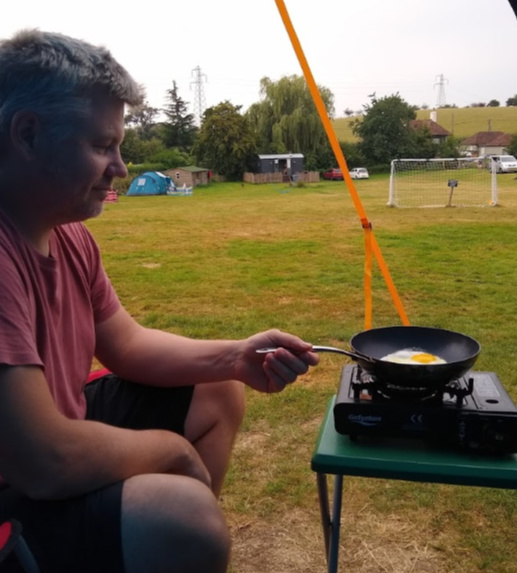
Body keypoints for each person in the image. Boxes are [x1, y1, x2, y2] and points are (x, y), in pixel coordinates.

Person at [0, 30, 319, 573]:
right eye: (103, 146)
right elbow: (43, 460)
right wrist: (174, 456)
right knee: (184, 515)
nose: (120, 168)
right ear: (27, 134)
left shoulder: (67, 233)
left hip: (52, 432)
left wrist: (236, 358)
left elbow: (124, 342)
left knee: (218, 391)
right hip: (16, 487)